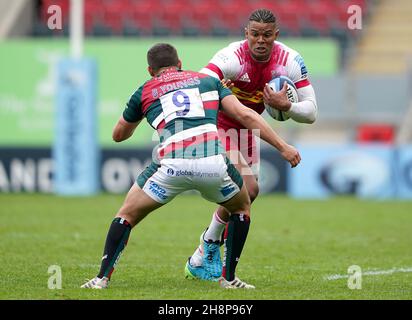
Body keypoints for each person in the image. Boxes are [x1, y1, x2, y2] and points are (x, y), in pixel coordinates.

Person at [81, 43, 301, 289]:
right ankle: (229, 279)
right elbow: (246, 115)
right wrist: (283, 146)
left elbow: (118, 135)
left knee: (126, 215)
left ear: (150, 70)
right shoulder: (207, 81)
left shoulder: (145, 90)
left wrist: (145, 113)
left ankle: (101, 279)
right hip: (212, 163)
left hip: (171, 165)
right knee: (242, 207)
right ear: (180, 63)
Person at [185, 8, 318, 280]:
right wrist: (214, 87)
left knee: (248, 195)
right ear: (246, 33)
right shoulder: (232, 56)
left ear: (275, 35)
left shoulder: (290, 60)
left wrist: (288, 105)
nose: (260, 40)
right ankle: (212, 253)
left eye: (267, 35)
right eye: (255, 34)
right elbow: (199, 81)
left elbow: (312, 112)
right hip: (219, 124)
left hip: (248, 128)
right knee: (248, 187)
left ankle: (205, 249)